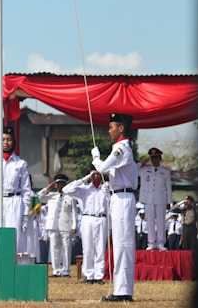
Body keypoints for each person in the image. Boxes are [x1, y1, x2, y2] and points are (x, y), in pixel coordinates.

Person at [91, 113, 138, 302]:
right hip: (118, 195)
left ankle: (123, 290)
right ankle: (121, 288)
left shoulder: (121, 148)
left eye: (112, 127)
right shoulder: (119, 148)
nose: (109, 130)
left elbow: (102, 168)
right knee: (119, 243)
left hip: (124, 197)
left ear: (121, 128)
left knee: (123, 244)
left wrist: (95, 157)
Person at [0, 126, 38, 264]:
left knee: (15, 238)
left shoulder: (21, 163)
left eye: (8, 139)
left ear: (13, 142)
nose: (5, 142)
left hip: (14, 202)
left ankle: (13, 268)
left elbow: (26, 191)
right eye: (3, 140)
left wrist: (25, 215)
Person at [62, 167, 108, 284]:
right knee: (88, 248)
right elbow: (66, 189)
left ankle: (99, 276)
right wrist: (85, 178)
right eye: (94, 173)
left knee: (100, 248)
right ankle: (89, 275)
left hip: (101, 217)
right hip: (87, 218)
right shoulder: (84, 189)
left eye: (98, 173)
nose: (96, 175)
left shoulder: (106, 188)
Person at [37, 174, 78, 277]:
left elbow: (74, 212)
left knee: (66, 248)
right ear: (55, 185)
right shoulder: (51, 196)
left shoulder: (70, 197)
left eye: (62, 184)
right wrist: (48, 188)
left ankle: (66, 270)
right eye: (58, 184)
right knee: (54, 247)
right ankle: (56, 270)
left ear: (65, 184)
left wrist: (74, 226)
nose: (60, 186)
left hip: (65, 224)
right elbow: (38, 197)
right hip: (53, 225)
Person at [137, 147, 172, 250]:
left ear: (160, 158)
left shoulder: (165, 171)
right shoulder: (144, 170)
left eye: (156, 158)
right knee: (150, 221)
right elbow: (134, 169)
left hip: (161, 198)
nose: (154, 160)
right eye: (152, 158)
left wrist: (169, 201)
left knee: (161, 221)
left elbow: (168, 187)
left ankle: (161, 242)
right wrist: (143, 162)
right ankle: (151, 243)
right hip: (149, 199)